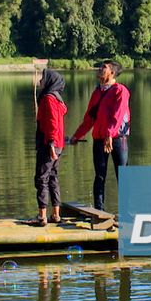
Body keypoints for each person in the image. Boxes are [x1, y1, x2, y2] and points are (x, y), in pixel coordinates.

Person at [69, 60, 130, 211]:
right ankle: (99, 212)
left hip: (117, 139)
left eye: (104, 67)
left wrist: (109, 134)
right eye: (101, 66)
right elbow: (89, 118)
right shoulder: (97, 92)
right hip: (99, 139)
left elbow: (118, 115)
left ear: (112, 73)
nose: (100, 68)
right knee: (99, 176)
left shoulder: (120, 90)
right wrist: (77, 136)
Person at [31, 69, 68, 227]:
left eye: (43, 79)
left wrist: (51, 144)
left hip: (49, 144)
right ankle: (56, 214)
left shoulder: (48, 98)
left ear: (50, 82)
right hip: (57, 144)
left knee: (42, 179)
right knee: (52, 178)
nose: (40, 81)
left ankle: (42, 216)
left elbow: (53, 122)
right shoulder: (57, 98)